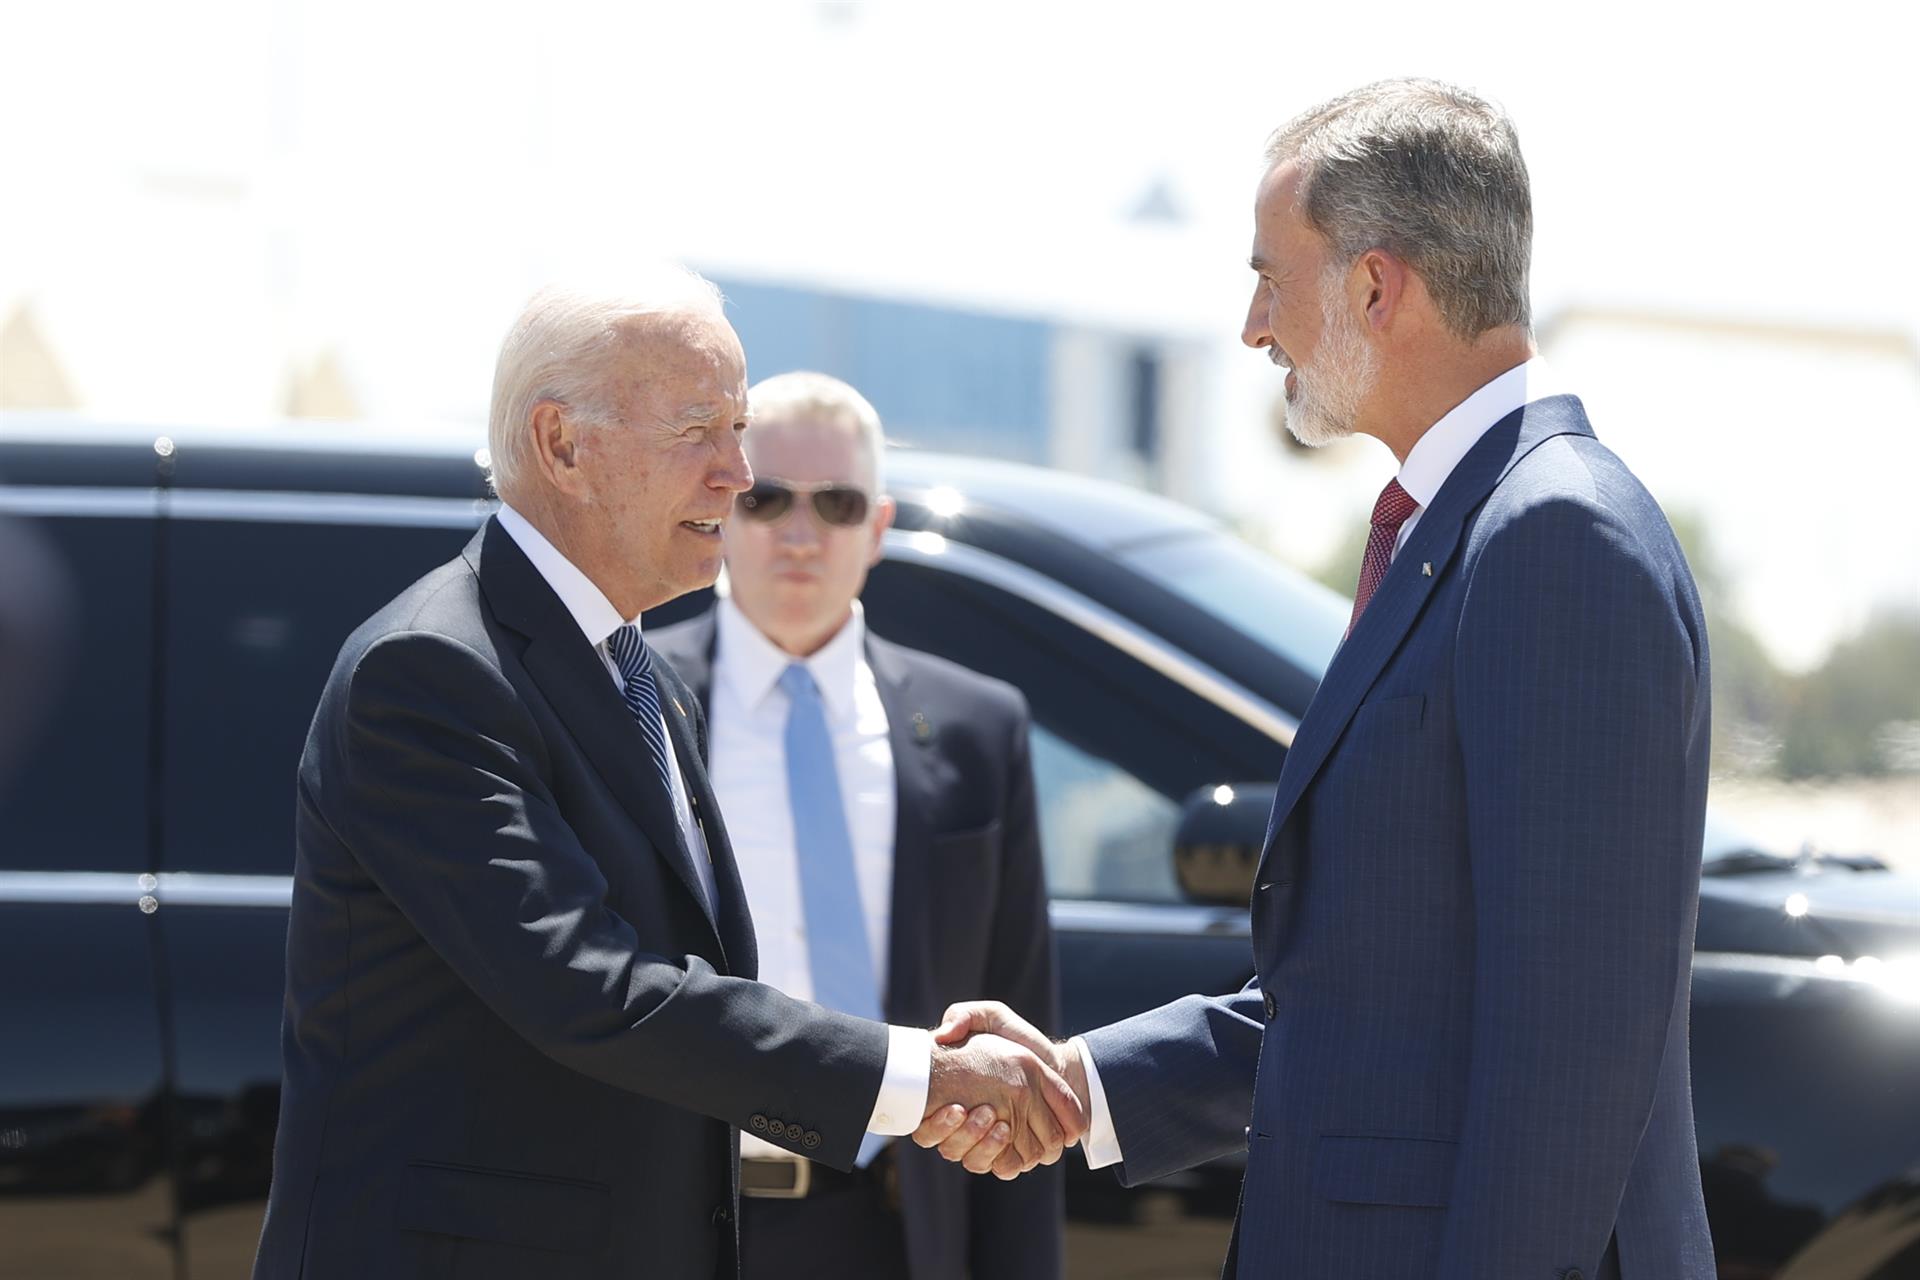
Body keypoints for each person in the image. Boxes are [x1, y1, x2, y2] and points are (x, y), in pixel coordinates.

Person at [920, 78, 1715, 1280]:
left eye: (1267, 276)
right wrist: (1084, 1085)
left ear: (1376, 286)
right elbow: (1369, 1002)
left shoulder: (1553, 539)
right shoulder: (1471, 525)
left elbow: (1570, 1055)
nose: (1254, 326)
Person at [252, 273, 1084, 1280]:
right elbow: (589, 986)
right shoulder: (432, 672)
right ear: (562, 443)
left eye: (739, 429)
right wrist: (918, 1071)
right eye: (701, 431)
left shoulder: (633, 671)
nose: (737, 475)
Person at [652, 371, 1063, 1280]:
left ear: (875, 529)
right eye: (766, 499)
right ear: (723, 509)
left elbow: (1021, 1015)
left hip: (898, 1229)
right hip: (684, 1223)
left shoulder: (977, 727)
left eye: (834, 504)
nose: (800, 534)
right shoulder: (632, 704)